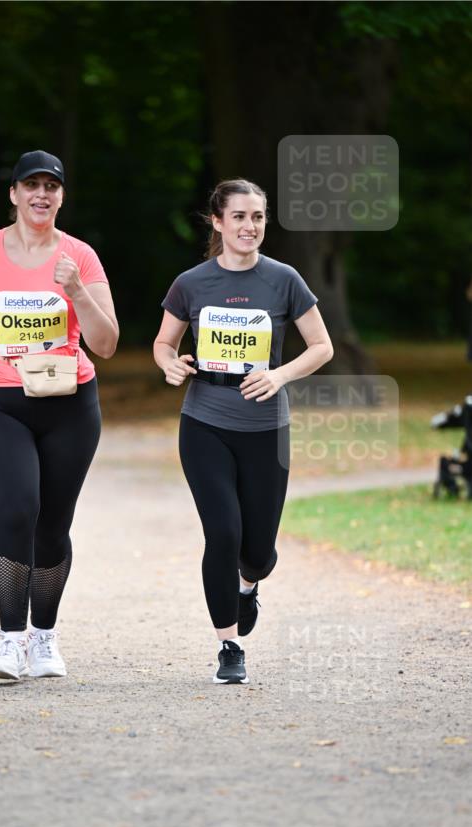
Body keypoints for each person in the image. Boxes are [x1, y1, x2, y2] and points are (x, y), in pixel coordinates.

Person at [0, 150, 119, 681]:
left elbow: (106, 343)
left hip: (69, 403)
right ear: (14, 193)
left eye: (51, 186)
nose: (42, 194)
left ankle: (43, 637)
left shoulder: (80, 257)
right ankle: (9, 641)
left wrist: (76, 290)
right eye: (31, 185)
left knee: (54, 522)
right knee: (18, 505)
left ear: (61, 196)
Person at [154, 178, 333, 684]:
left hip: (266, 429)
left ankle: (249, 584)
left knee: (257, 553)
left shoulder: (284, 279)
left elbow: (322, 346)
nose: (249, 226)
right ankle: (229, 646)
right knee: (223, 534)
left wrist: (279, 375)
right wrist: (170, 364)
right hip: (204, 424)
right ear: (218, 222)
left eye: (257, 217)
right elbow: (163, 343)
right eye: (238, 216)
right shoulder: (191, 283)